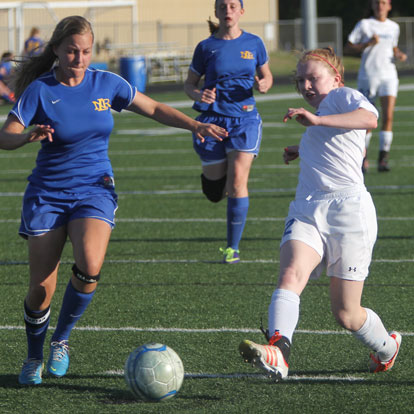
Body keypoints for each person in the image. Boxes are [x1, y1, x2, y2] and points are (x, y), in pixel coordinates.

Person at [3, 15, 227, 386]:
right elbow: (5, 135)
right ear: (56, 49)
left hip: (95, 187)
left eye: (87, 51)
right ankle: (32, 356)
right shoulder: (40, 91)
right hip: (48, 194)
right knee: (41, 287)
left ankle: (61, 340)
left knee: (89, 266)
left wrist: (195, 124)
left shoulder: (106, 83)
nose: (80, 58)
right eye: (72, 51)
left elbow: (153, 108)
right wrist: (27, 136)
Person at [239, 47, 401, 380]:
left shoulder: (344, 96)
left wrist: (316, 121)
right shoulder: (322, 116)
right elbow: (335, 141)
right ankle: (279, 351)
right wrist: (304, 146)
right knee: (291, 275)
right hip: (308, 207)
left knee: (346, 314)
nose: (306, 86)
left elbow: (369, 119)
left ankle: (387, 347)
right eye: (301, 80)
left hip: (349, 212)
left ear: (336, 78)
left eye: (313, 77)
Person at [184, 0, 273, 264]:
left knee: (237, 182)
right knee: (215, 192)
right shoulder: (206, 47)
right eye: (223, 6)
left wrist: (263, 84)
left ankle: (232, 248)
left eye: (234, 6)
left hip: (245, 120)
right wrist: (200, 93)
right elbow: (189, 85)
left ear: (241, 12)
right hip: (212, 121)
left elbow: (267, 77)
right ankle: (218, 188)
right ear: (217, 12)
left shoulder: (254, 43)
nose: (228, 10)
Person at [346, 0, 407, 172]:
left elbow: (393, 48)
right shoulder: (364, 24)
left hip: (389, 75)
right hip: (368, 76)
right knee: (367, 119)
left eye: (383, 2)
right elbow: (349, 47)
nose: (380, 6)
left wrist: (399, 54)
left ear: (389, 6)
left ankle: (383, 159)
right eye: (377, 3)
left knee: (388, 117)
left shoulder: (394, 27)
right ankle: (363, 157)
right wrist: (367, 43)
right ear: (372, 6)